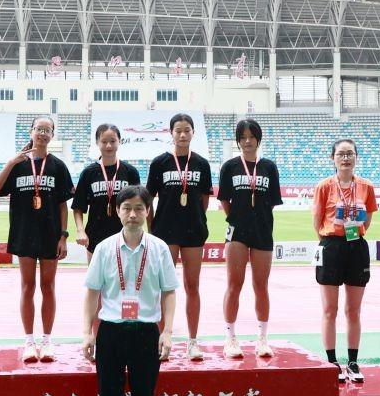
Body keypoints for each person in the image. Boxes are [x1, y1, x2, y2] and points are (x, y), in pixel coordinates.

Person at [82, 185, 176, 396]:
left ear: (147, 211)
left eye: (138, 208)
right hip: (110, 331)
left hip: (146, 332)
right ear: (117, 211)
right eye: (126, 208)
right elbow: (92, 293)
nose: (132, 214)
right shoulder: (104, 248)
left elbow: (169, 292)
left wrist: (167, 332)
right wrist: (87, 333)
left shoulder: (159, 248)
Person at [0, 116, 74, 363]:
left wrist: (63, 237)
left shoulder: (58, 166)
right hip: (24, 233)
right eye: (39, 129)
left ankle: (47, 341)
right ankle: (29, 341)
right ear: (31, 132)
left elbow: (63, 205)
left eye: (47, 130)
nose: (42, 133)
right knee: (27, 287)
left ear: (52, 135)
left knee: (48, 287)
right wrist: (10, 162)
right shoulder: (17, 164)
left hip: (50, 234)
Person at [146, 113, 212, 360]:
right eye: (178, 130)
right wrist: (153, 229)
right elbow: (148, 200)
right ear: (171, 133)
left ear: (193, 132)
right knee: (164, 287)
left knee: (192, 286)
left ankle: (192, 341)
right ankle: (162, 340)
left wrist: (195, 219)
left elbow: (204, 199)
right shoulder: (160, 163)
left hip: (193, 231)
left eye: (187, 130)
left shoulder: (201, 163)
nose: (183, 135)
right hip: (165, 231)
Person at [312, 139, 377, 383]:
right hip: (331, 246)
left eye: (350, 153)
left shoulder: (366, 186)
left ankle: (352, 361)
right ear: (333, 158)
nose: (346, 158)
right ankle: (331, 361)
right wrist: (331, 241)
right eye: (341, 154)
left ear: (356, 157)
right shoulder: (324, 186)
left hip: (356, 246)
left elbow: (367, 220)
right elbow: (317, 221)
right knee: (330, 309)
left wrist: (353, 234)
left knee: (353, 310)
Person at [217, 118, 282, 358]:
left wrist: (257, 219)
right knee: (234, 285)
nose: (247, 141)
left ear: (258, 139)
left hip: (262, 231)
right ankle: (230, 338)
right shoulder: (230, 167)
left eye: (251, 137)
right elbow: (224, 200)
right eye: (242, 137)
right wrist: (237, 218)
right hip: (237, 232)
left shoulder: (269, 167)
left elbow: (271, 202)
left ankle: (262, 338)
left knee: (261, 286)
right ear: (238, 141)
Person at [73, 124, 141, 262]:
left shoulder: (130, 172)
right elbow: (78, 206)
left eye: (113, 141)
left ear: (119, 141)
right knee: (96, 276)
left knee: (124, 275)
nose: (108, 145)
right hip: (95, 234)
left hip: (125, 234)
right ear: (97, 142)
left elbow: (139, 205)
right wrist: (80, 230)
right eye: (104, 141)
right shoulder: (89, 173)